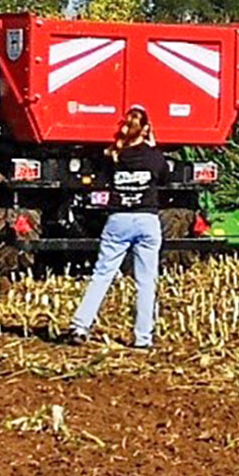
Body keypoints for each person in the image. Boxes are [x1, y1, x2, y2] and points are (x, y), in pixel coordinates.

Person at [65, 105, 170, 349]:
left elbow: (101, 182)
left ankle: (80, 325)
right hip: (147, 220)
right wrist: (153, 147)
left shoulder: (114, 156)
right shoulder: (155, 157)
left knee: (102, 274)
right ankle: (143, 337)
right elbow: (165, 178)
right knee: (146, 281)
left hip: (118, 220)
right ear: (145, 129)